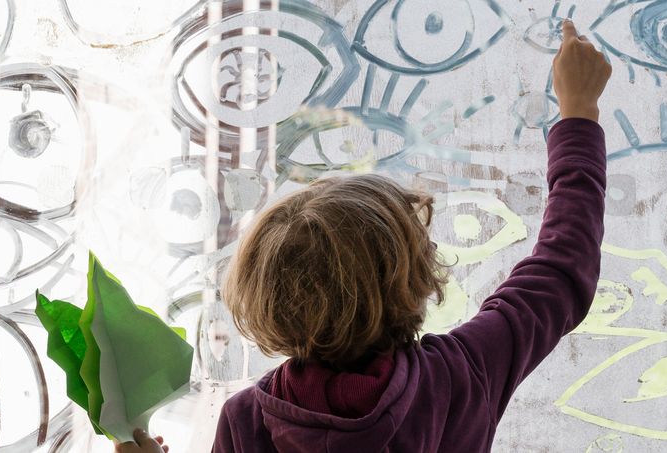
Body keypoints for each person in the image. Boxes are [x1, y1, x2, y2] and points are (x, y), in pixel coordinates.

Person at [115, 18, 611, 453]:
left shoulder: (248, 421)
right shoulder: (459, 376)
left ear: (264, 296)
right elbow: (561, 270)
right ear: (411, 277)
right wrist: (578, 112)